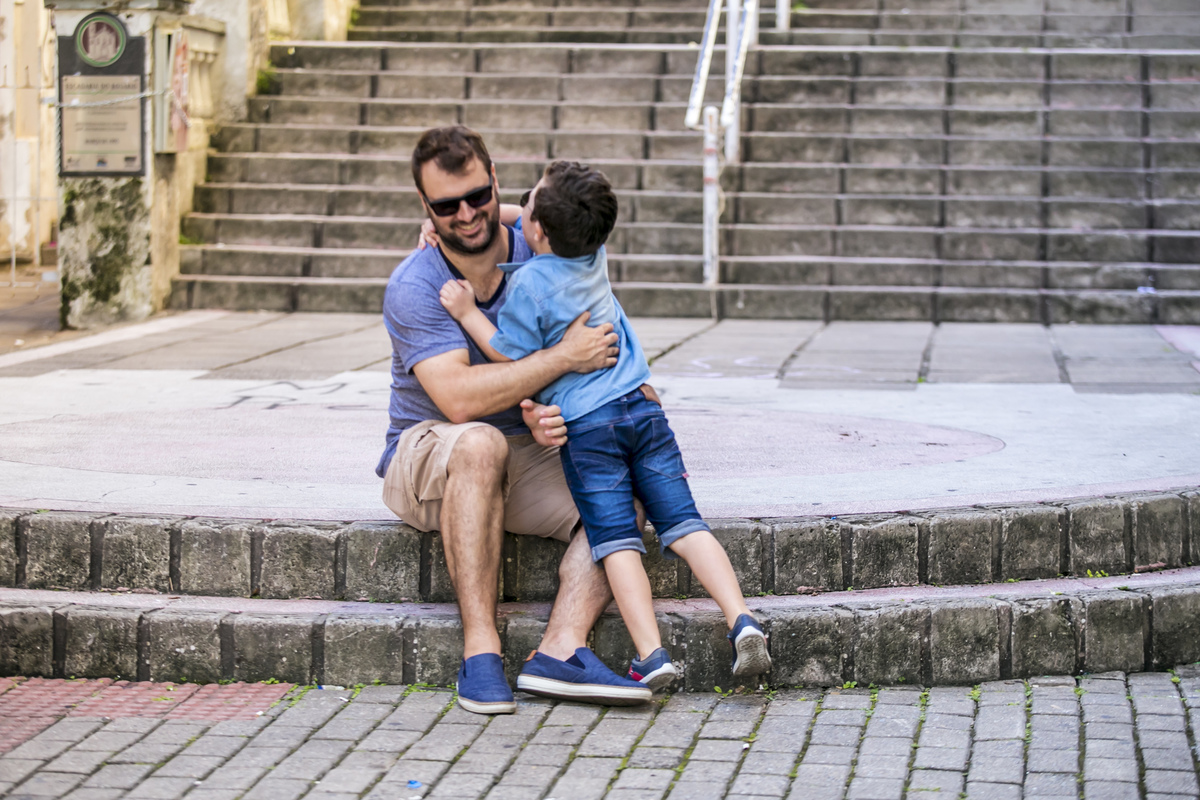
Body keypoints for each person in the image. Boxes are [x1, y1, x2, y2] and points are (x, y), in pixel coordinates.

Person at [439, 160, 772, 692]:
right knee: (686, 525)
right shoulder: (595, 253)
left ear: (538, 230)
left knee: (616, 541)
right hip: (644, 410)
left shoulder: (529, 285)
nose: (517, 209)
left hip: (591, 429)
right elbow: (537, 216)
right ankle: (741, 619)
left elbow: (507, 353)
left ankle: (651, 654)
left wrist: (465, 311)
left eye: (528, 203)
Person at [378, 125, 656, 715]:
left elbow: (600, 342)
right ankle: (481, 653)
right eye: (446, 207)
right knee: (480, 442)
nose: (466, 215)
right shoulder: (418, 284)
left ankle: (560, 650)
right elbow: (458, 400)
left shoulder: (543, 247)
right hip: (430, 452)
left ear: (497, 183)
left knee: (623, 489)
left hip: (523, 449)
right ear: (425, 206)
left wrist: (559, 412)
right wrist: (561, 360)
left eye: (478, 197)